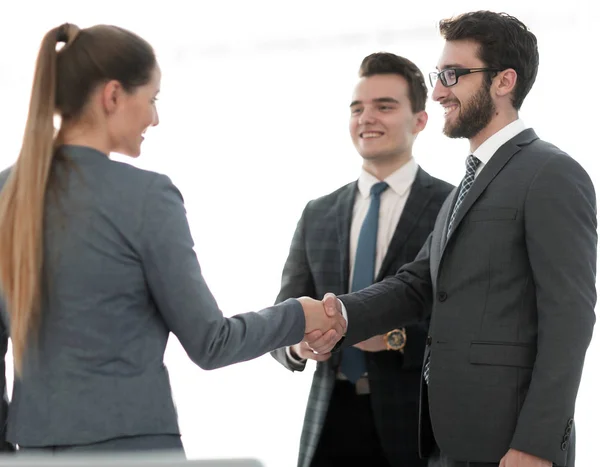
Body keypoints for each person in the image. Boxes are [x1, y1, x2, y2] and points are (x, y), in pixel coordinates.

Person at [0, 23, 344, 454]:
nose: (155, 118)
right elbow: (211, 343)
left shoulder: (5, 193)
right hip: (132, 449)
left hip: (31, 451)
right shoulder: (146, 196)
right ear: (112, 96)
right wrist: (299, 314)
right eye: (152, 99)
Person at [307, 10, 596, 467]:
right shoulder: (467, 183)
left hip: (511, 445)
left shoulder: (551, 173)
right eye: (437, 75)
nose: (438, 90)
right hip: (447, 442)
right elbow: (417, 284)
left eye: (452, 75)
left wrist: (538, 443)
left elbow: (570, 320)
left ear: (504, 82)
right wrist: (340, 313)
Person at [271, 52, 453, 467]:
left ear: (420, 120)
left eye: (384, 106)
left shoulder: (452, 206)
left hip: (417, 427)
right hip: (329, 419)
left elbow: (467, 322)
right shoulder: (317, 213)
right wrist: (298, 346)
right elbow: (284, 313)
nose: (366, 118)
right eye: (358, 108)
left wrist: (395, 339)